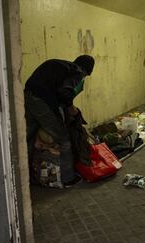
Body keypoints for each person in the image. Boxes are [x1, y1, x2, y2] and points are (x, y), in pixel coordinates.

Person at [24, 55, 95, 187]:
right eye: (86, 75)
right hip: (41, 100)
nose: (83, 78)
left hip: (28, 96)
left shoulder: (63, 66)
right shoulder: (77, 71)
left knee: (29, 137)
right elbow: (64, 92)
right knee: (64, 139)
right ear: (86, 70)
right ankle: (68, 178)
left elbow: (57, 91)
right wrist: (71, 108)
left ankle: (25, 177)